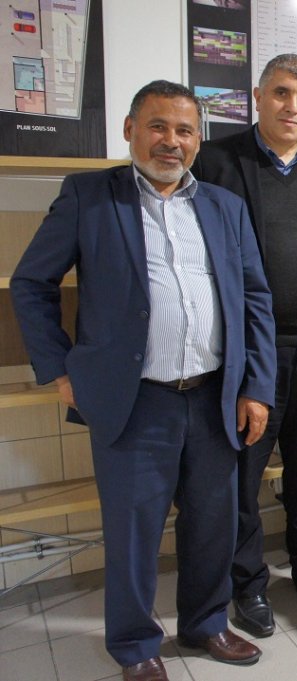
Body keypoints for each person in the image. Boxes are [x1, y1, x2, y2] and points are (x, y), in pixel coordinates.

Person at [10, 80, 276, 680]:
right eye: (158, 126)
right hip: (134, 403)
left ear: (198, 140)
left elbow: (255, 298)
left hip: (213, 396)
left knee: (214, 523)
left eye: (184, 130)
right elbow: (31, 284)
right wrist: (58, 368)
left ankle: (206, 623)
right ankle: (134, 645)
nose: (171, 141)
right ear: (129, 129)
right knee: (133, 532)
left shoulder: (223, 206)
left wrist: (257, 385)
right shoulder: (88, 195)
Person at [191, 53, 297, 632]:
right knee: (241, 476)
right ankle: (248, 585)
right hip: (246, 357)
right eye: (282, 93)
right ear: (257, 97)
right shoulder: (216, 163)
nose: (293, 106)